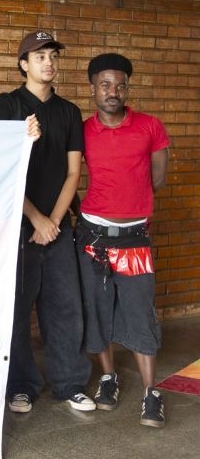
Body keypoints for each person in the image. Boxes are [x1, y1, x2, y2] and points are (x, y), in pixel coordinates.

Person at [0, 30, 93, 413]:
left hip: (57, 228)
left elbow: (73, 172)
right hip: (18, 227)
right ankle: (21, 385)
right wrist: (35, 218)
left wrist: (53, 222)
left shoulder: (69, 112)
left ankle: (70, 383)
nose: (48, 62)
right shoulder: (7, 105)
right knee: (16, 310)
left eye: (53, 56)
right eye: (39, 56)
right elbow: (0, 169)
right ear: (23, 64)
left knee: (65, 307)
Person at [76, 53, 170, 428]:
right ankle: (108, 378)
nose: (112, 91)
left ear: (127, 89)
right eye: (105, 84)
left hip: (134, 240)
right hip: (93, 237)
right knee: (97, 309)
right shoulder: (82, 130)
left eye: (120, 85)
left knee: (139, 311)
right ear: (93, 88)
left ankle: (151, 392)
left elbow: (157, 179)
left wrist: (131, 203)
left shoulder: (150, 126)